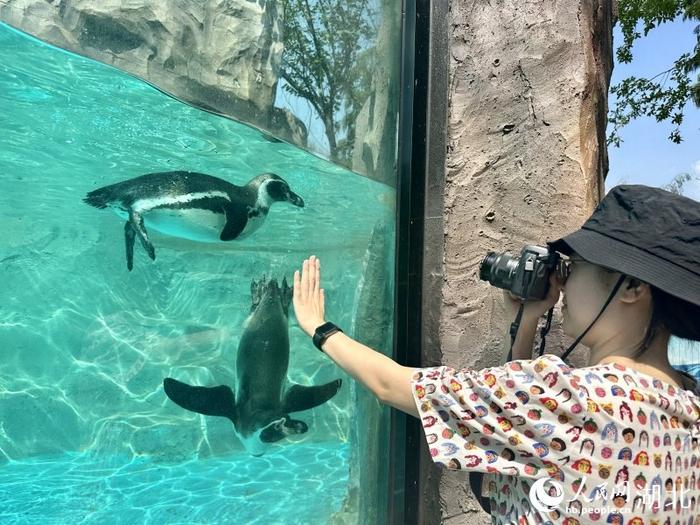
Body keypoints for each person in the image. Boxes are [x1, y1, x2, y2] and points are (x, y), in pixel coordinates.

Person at [292, 185, 700, 524]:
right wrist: (526, 322)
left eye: (573, 268)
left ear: (631, 287)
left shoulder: (569, 401)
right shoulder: (689, 407)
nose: (564, 284)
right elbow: (522, 431)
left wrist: (318, 326)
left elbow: (390, 385)